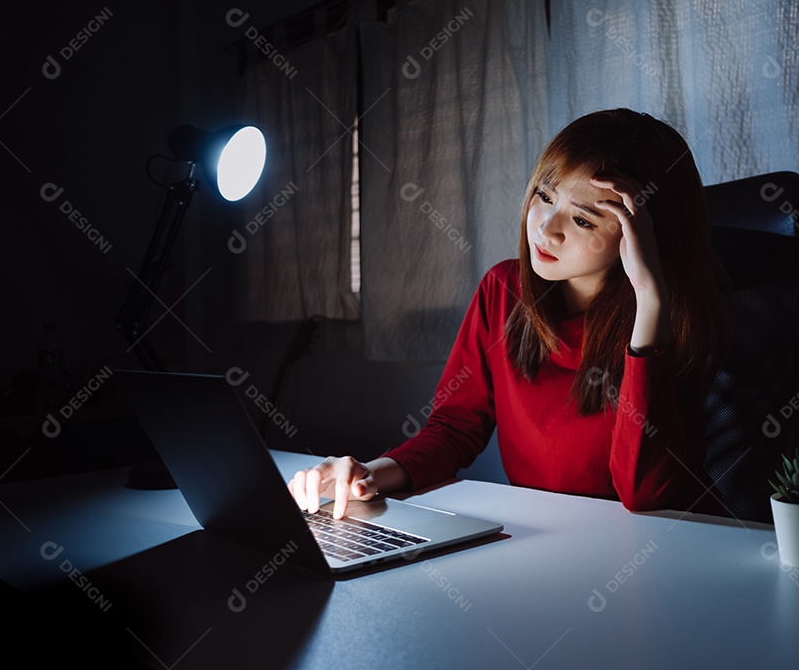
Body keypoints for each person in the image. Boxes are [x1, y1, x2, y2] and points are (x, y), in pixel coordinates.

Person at [289, 108, 728, 519]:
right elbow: (454, 429)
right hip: (550, 543)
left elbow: (644, 495)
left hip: (667, 548)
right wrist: (368, 473)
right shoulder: (503, 290)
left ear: (645, 233)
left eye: (582, 220)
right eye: (544, 195)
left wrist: (650, 298)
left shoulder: (668, 321)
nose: (545, 228)